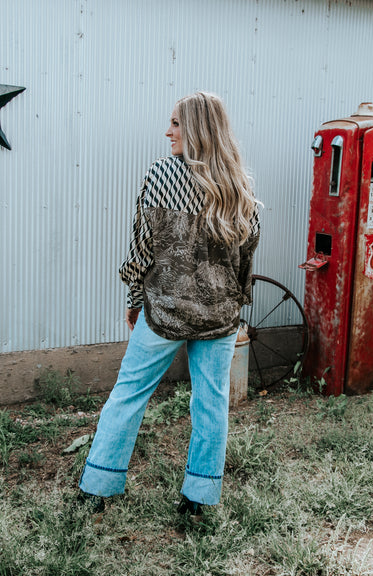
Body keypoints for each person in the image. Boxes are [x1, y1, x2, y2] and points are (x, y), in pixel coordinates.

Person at [78, 91, 260, 519]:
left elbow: (142, 249)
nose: (168, 131)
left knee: (128, 394)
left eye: (176, 123)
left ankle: (97, 488)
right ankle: (198, 500)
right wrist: (235, 305)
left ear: (196, 127)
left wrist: (135, 298)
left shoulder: (162, 175)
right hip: (219, 316)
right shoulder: (240, 185)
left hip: (164, 313)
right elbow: (247, 257)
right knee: (211, 403)